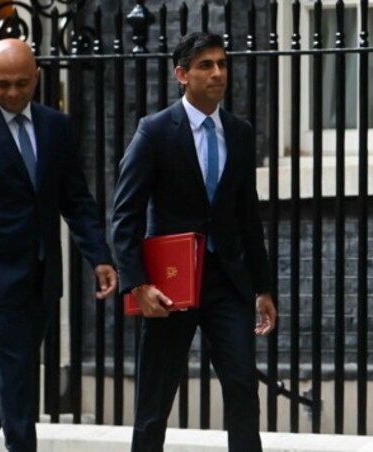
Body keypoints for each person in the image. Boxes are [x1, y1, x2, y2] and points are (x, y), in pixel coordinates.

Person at [0, 38, 118, 452]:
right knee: (18, 376)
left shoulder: (56, 126)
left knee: (10, 377)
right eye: (1, 85)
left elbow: (75, 199)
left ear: (37, 77)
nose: (12, 93)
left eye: (21, 84)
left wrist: (99, 256)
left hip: (44, 274)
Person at [111, 31, 277, 452]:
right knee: (155, 396)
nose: (217, 73)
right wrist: (137, 284)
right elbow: (125, 214)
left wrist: (263, 286)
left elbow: (247, 215)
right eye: (205, 65)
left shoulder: (239, 133)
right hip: (171, 285)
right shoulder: (154, 132)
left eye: (222, 64)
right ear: (181, 75)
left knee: (242, 386)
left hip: (226, 283)